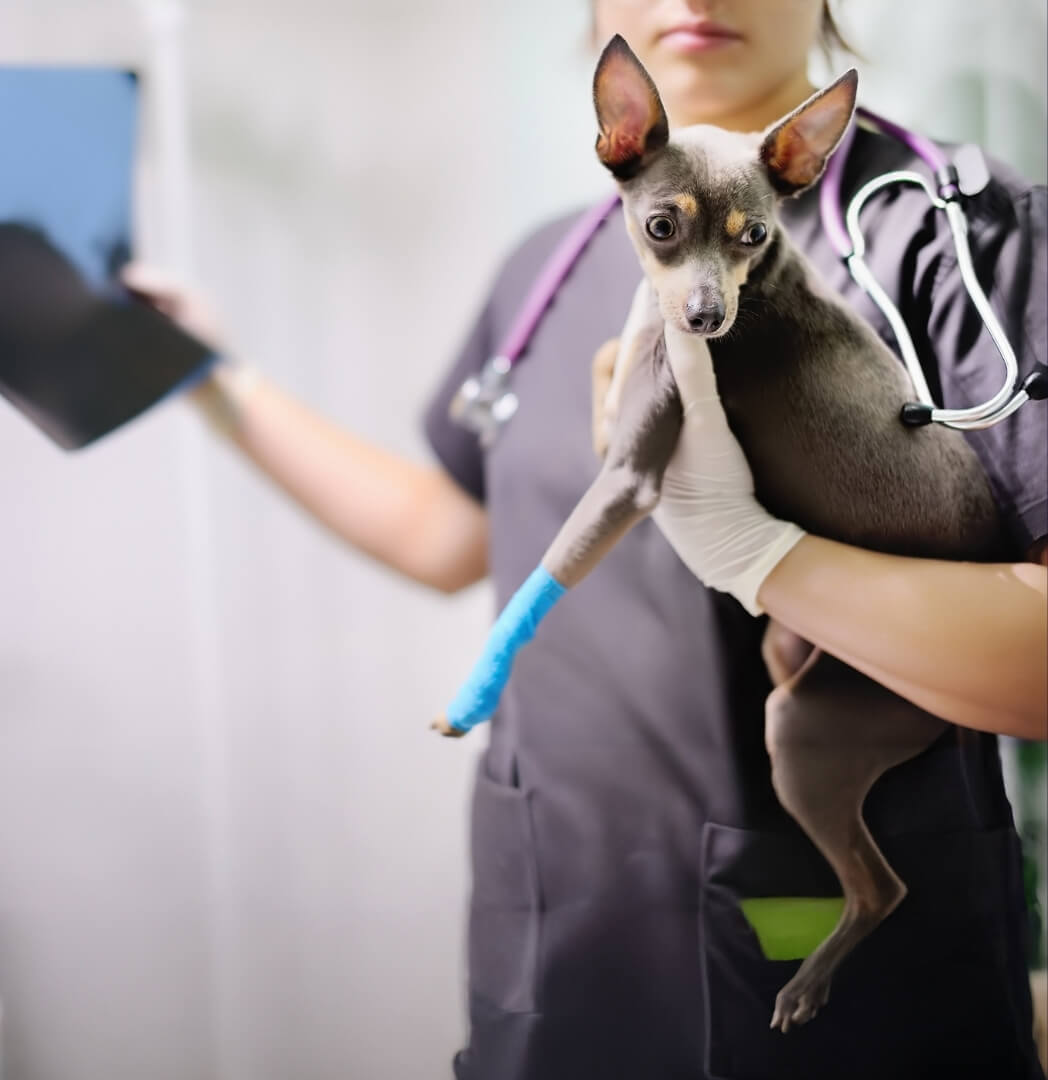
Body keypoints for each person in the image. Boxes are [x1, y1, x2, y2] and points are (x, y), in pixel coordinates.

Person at [123, 2, 1048, 1076]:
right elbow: (451, 533)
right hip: (556, 953)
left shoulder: (961, 237)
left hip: (833, 994)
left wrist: (750, 552)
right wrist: (209, 378)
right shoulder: (547, 267)